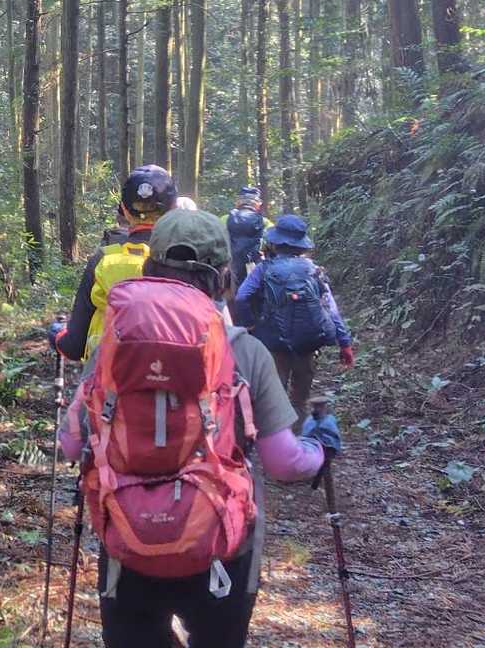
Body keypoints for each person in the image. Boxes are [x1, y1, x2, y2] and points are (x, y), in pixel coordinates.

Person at [60, 208, 338, 647]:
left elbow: (72, 445)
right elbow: (284, 462)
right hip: (220, 545)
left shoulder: (112, 345)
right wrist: (319, 447)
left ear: (150, 269)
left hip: (127, 538)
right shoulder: (245, 351)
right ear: (223, 276)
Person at [232, 213, 355, 421]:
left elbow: (242, 297)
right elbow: (330, 307)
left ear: (275, 243)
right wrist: (344, 343)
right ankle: (298, 434)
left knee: (274, 395)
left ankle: (277, 435)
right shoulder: (313, 269)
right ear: (301, 245)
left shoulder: (263, 269)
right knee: (300, 398)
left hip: (274, 341)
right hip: (307, 342)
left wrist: (250, 324)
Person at [51, 164, 179, 362]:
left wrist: (56, 334)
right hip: (173, 374)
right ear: (173, 208)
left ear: (125, 210)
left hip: (111, 377)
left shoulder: (103, 260)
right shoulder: (187, 260)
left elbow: (74, 347)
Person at [224, 185, 269, 275]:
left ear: (237, 202)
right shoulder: (265, 222)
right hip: (255, 267)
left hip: (229, 267)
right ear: (258, 204)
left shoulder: (225, 219)